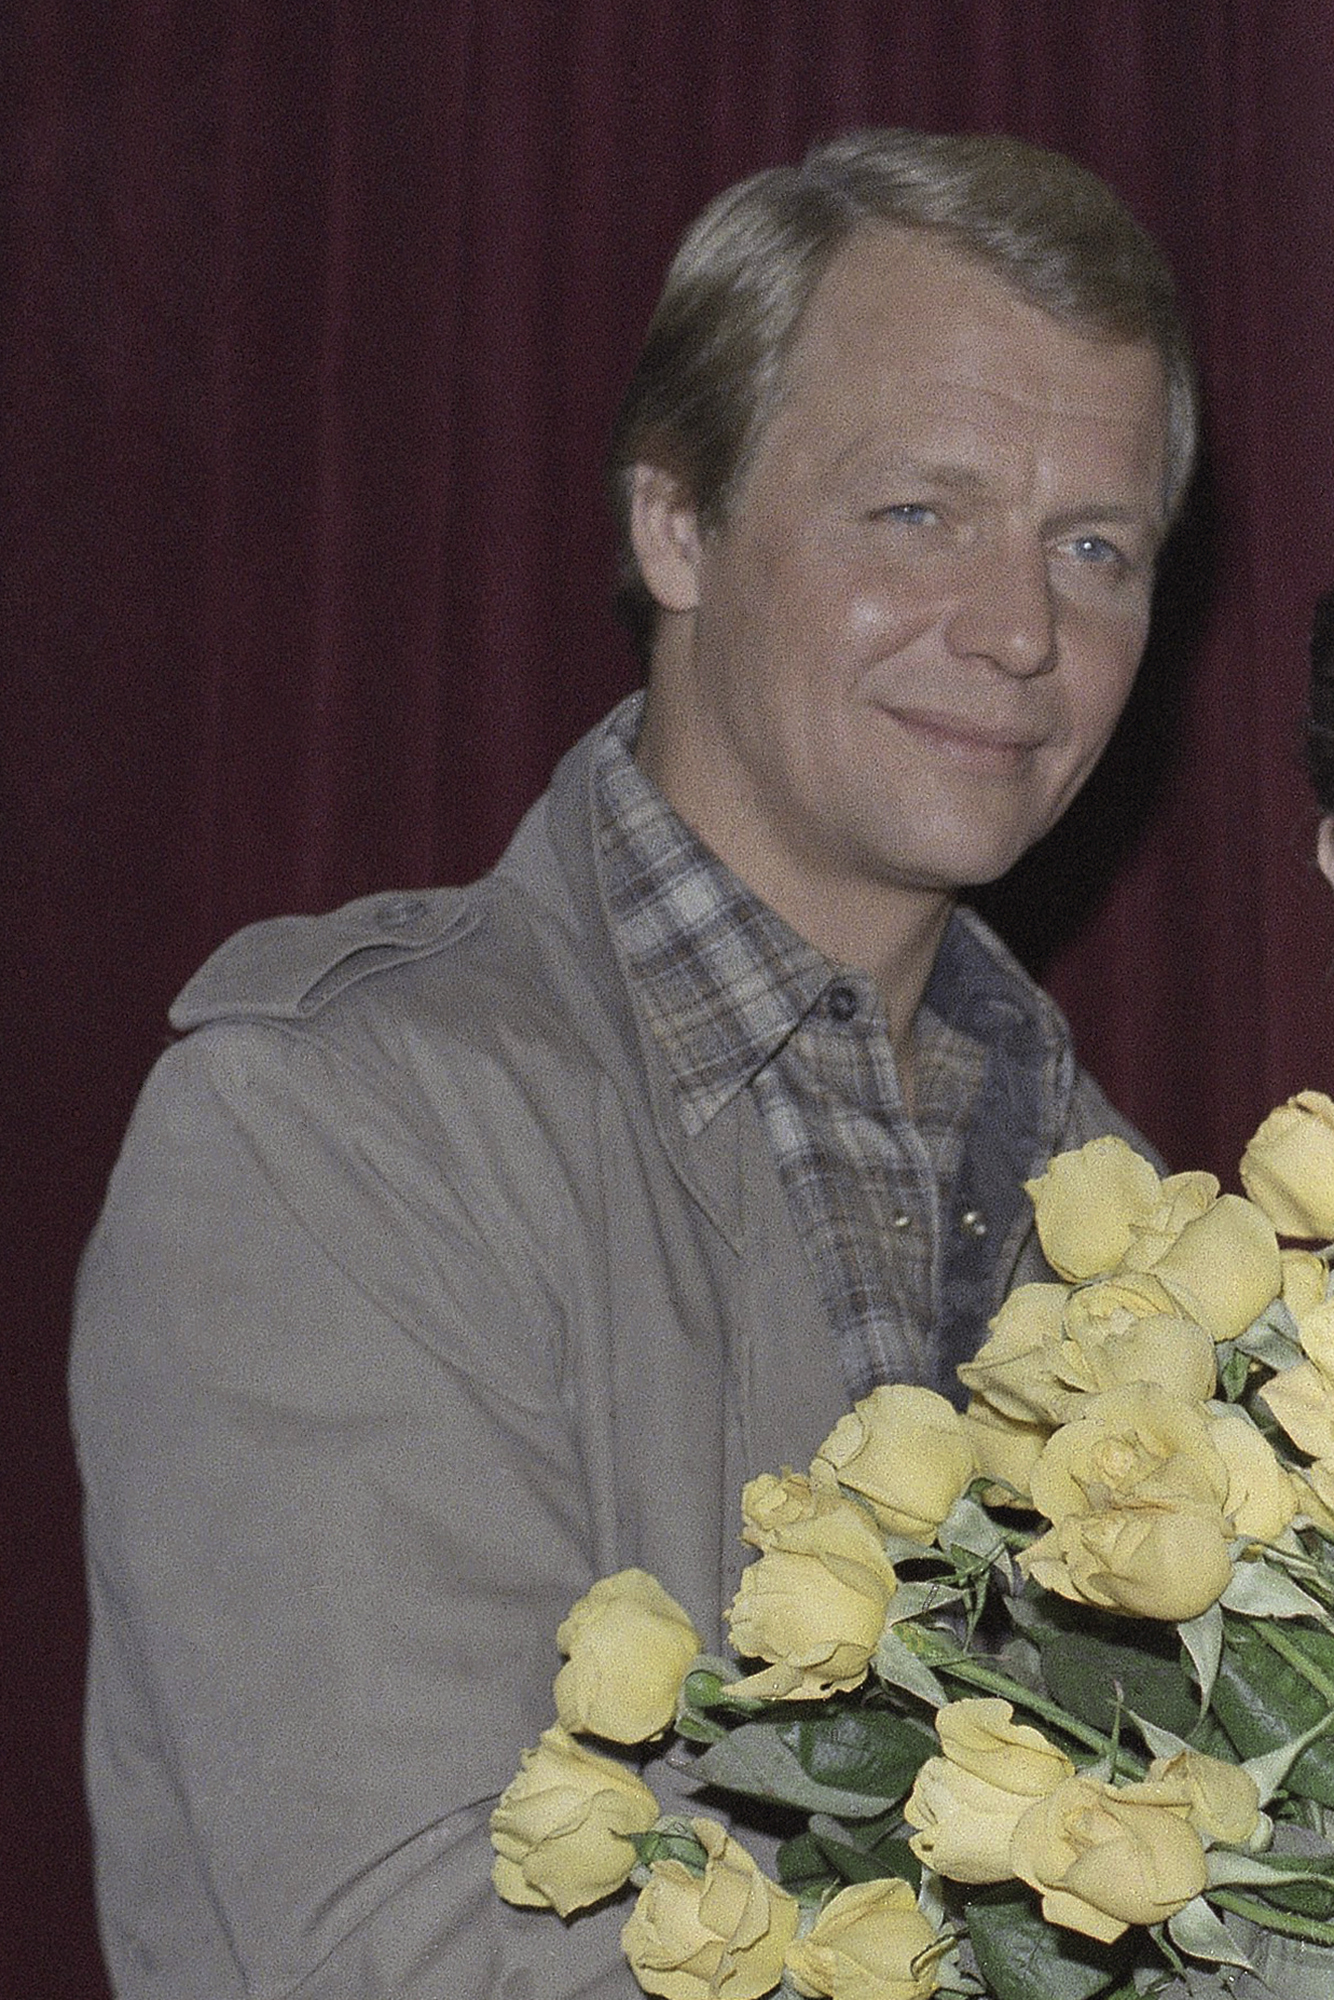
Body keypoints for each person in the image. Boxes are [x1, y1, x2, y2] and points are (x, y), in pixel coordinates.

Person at [70, 128, 1194, 1997]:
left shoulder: (1137, 1223)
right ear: (673, 522)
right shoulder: (326, 1132)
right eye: (917, 513)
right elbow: (418, 1959)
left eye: (1095, 547)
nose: (1018, 632)